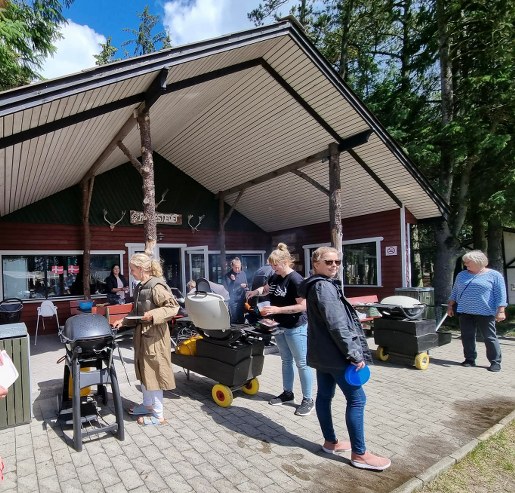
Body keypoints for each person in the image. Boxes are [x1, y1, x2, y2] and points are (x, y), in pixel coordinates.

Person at [299, 246, 391, 471]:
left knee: (324, 396)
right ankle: (359, 454)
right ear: (316, 264)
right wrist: (354, 354)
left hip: (323, 355)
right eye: (329, 262)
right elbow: (337, 325)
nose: (334, 265)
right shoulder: (324, 287)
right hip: (337, 355)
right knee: (357, 400)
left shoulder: (318, 285)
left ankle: (330, 443)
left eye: (337, 262)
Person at [247, 243, 314, 416]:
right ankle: (287, 393)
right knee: (286, 360)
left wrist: (277, 310)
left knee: (302, 363)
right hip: (279, 326)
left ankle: (308, 399)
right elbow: (266, 289)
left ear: (285, 262)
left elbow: (303, 306)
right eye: (271, 265)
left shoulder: (295, 280)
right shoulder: (275, 277)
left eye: (275, 265)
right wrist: (255, 292)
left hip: (295, 327)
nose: (273, 268)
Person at [112, 253, 180, 425]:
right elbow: (136, 313)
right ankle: (148, 405)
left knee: (154, 373)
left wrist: (153, 314)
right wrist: (123, 321)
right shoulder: (140, 287)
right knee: (144, 371)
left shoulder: (156, 286)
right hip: (142, 336)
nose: (131, 273)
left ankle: (158, 416)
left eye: (133, 270)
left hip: (155, 338)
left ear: (141, 269)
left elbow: (173, 307)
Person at [447, 250, 507, 372]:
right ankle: (469, 359)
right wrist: (450, 306)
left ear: (478, 262)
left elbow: (501, 294)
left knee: (489, 337)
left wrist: (501, 310)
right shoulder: (461, 275)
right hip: (465, 311)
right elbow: (455, 291)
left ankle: (495, 362)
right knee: (467, 336)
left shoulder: (494, 275)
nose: (465, 264)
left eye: (468, 262)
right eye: (465, 262)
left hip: (486, 312)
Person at [223, 257, 248, 324]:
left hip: (242, 300)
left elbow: (246, 285)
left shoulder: (243, 274)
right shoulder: (228, 276)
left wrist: (246, 286)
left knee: (242, 320)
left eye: (238, 267)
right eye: (235, 267)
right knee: (234, 320)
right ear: (232, 266)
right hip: (233, 302)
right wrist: (233, 281)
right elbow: (228, 289)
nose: (237, 269)